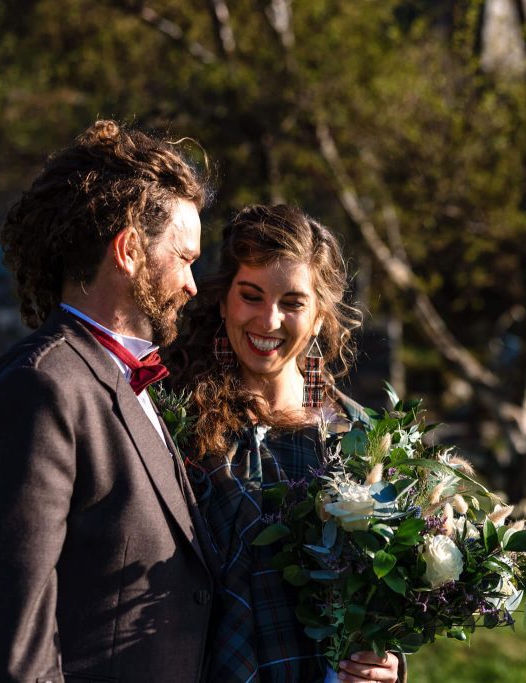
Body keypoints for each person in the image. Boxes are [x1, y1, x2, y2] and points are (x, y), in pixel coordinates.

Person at [0, 120, 216, 682]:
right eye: (185, 258)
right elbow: (4, 650)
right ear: (129, 250)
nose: (193, 285)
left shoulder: (118, 376)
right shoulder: (40, 390)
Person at [166, 205, 403, 683]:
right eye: (250, 296)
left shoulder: (360, 442)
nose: (268, 320)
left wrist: (386, 667)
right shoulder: (177, 422)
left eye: (293, 303)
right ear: (223, 301)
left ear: (319, 316)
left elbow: (382, 596)